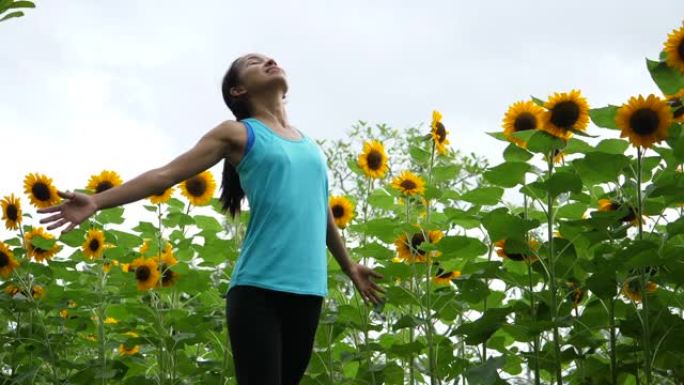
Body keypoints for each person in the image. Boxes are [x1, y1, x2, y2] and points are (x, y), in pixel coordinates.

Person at [36, 52, 386, 385]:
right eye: (253, 61)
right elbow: (166, 175)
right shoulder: (237, 133)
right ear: (238, 90)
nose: (268, 60)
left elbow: (320, 209)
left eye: (268, 57)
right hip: (259, 292)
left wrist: (349, 266)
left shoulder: (309, 145)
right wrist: (97, 201)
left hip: (309, 292)